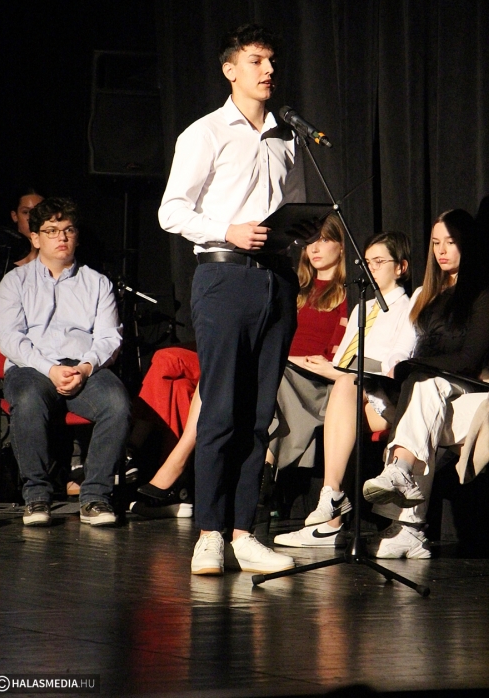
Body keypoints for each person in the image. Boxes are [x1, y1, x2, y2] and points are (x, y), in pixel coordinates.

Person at [158, 22, 306, 575]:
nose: (268, 70)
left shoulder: (286, 137)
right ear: (230, 70)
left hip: (275, 280)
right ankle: (208, 533)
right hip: (224, 277)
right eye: (256, 61)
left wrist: (297, 233)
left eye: (272, 61)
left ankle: (245, 532)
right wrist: (227, 230)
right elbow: (172, 211)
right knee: (221, 408)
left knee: (260, 413)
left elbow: (290, 207)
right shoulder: (205, 133)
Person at [131, 213, 348, 519]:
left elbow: (337, 355)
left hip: (299, 372)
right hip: (259, 353)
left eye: (324, 240)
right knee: (171, 361)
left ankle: (175, 467)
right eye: (311, 240)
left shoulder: (344, 294)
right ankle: (133, 452)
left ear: (341, 247)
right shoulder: (289, 285)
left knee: (218, 380)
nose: (314, 247)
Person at [0, 197, 131, 527]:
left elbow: (109, 337)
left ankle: (95, 496)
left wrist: (85, 367)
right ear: (35, 238)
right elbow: (10, 339)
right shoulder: (15, 281)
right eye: (52, 231)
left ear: (77, 236)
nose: (62, 237)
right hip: (32, 367)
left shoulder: (97, 283)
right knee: (28, 399)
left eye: (68, 230)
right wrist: (50, 369)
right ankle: (36, 496)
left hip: (83, 367)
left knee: (117, 403)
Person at [273, 231, 414, 548]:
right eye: (367, 263)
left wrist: (340, 371)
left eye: (379, 262)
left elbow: (398, 363)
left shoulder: (409, 308)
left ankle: (332, 501)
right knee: (314, 383)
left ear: (401, 267)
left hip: (388, 397)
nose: (371, 269)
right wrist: (330, 368)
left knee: (347, 382)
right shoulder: (362, 308)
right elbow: (342, 362)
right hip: (351, 389)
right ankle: (330, 518)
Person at [362, 209, 489, 558]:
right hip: (430, 394)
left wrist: (416, 368)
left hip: (468, 390)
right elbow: (405, 349)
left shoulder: (482, 293)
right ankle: (409, 528)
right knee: (422, 398)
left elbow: (469, 360)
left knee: (425, 386)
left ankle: (401, 479)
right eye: (435, 243)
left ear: (469, 244)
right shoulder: (427, 295)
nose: (442, 251)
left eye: (451, 242)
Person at [11, 189, 44, 266]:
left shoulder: (57, 261)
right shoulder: (4, 261)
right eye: (25, 212)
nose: (32, 218)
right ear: (15, 216)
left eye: (39, 212)